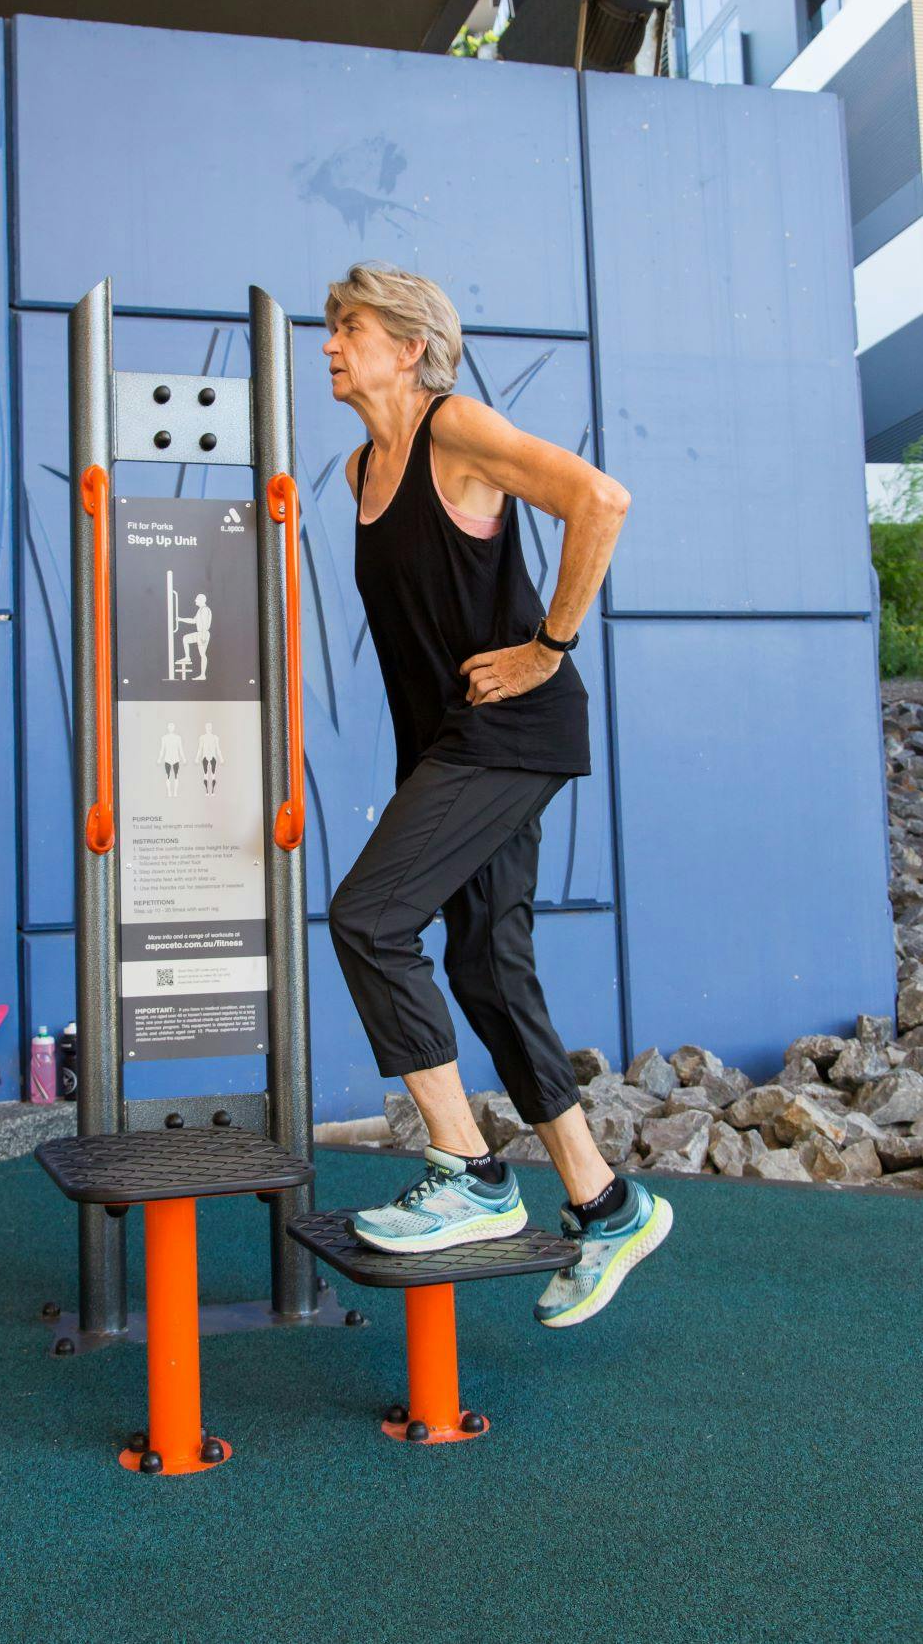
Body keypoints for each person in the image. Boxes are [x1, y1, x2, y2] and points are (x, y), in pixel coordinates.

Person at [324, 261, 671, 1328]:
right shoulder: (358, 470)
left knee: (369, 919)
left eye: (351, 327)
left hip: (507, 735)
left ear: (411, 344)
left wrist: (546, 648)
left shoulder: (453, 427)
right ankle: (605, 1204)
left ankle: (469, 1174)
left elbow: (598, 499)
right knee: (484, 960)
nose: (331, 343)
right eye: (331, 328)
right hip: (447, 748)